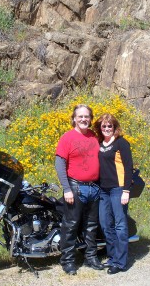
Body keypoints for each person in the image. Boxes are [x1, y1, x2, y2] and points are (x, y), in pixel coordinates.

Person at [55, 104, 104, 275]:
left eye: (87, 116)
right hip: (75, 188)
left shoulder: (94, 137)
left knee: (91, 226)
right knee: (71, 225)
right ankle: (67, 261)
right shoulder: (67, 137)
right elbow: (60, 164)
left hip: (94, 188)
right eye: (80, 116)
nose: (84, 119)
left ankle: (91, 257)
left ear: (90, 119)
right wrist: (66, 189)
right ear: (74, 119)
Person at [93, 113, 133, 274]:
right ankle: (112, 256)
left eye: (110, 126)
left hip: (118, 189)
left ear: (115, 127)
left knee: (120, 225)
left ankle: (120, 262)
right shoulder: (99, 143)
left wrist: (126, 191)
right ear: (100, 128)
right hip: (103, 190)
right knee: (105, 224)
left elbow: (128, 167)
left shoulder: (121, 143)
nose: (107, 128)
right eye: (104, 126)